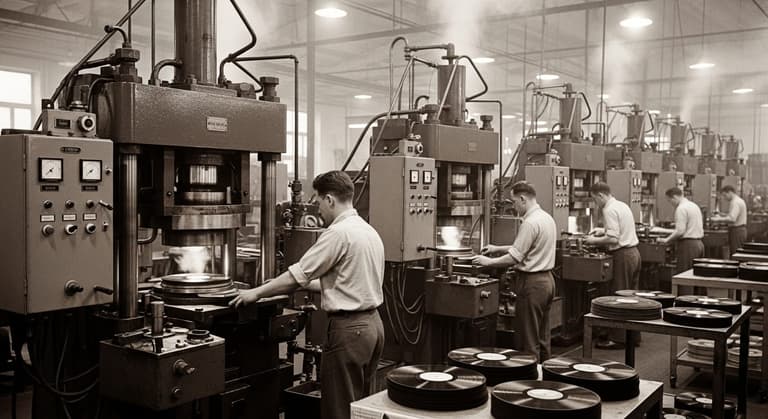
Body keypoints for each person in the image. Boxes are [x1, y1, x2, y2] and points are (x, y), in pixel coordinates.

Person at [230, 171, 385, 419]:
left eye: (318, 201)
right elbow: (348, 282)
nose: (318, 209)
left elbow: (296, 276)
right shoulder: (368, 231)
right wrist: (286, 285)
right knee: (361, 409)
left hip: (350, 330)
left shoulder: (337, 233)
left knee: (339, 408)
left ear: (330, 199)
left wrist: (256, 293)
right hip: (373, 327)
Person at [471, 181, 556, 362]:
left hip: (532, 284)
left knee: (527, 339)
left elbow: (514, 258)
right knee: (542, 336)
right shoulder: (546, 218)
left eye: (514, 202)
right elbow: (528, 246)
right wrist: (497, 248)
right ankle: (546, 378)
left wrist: (489, 261)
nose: (514, 207)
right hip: (548, 282)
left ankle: (529, 382)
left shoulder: (530, 223)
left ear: (523, 199)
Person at [584, 182, 641, 350]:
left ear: (601, 195)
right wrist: (603, 230)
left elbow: (614, 239)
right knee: (632, 298)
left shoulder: (608, 209)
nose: (596, 203)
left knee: (619, 297)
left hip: (622, 255)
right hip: (634, 253)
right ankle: (633, 335)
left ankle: (618, 339)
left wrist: (593, 240)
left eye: (595, 200)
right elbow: (618, 230)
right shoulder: (621, 205)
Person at [659, 187, 704, 293]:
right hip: (699, 244)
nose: (671, 204)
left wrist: (666, 240)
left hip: (688, 245)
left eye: (670, 201)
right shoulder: (693, 205)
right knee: (696, 276)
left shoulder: (681, 208)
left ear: (674, 197)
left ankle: (684, 302)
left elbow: (680, 231)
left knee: (685, 277)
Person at [712, 185, 748, 254]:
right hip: (740, 230)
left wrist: (717, 219)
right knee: (738, 252)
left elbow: (732, 219)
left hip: (737, 231)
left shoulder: (735, 202)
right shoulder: (739, 200)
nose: (725, 198)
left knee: (736, 253)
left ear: (730, 192)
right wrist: (721, 214)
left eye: (725, 195)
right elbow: (734, 215)